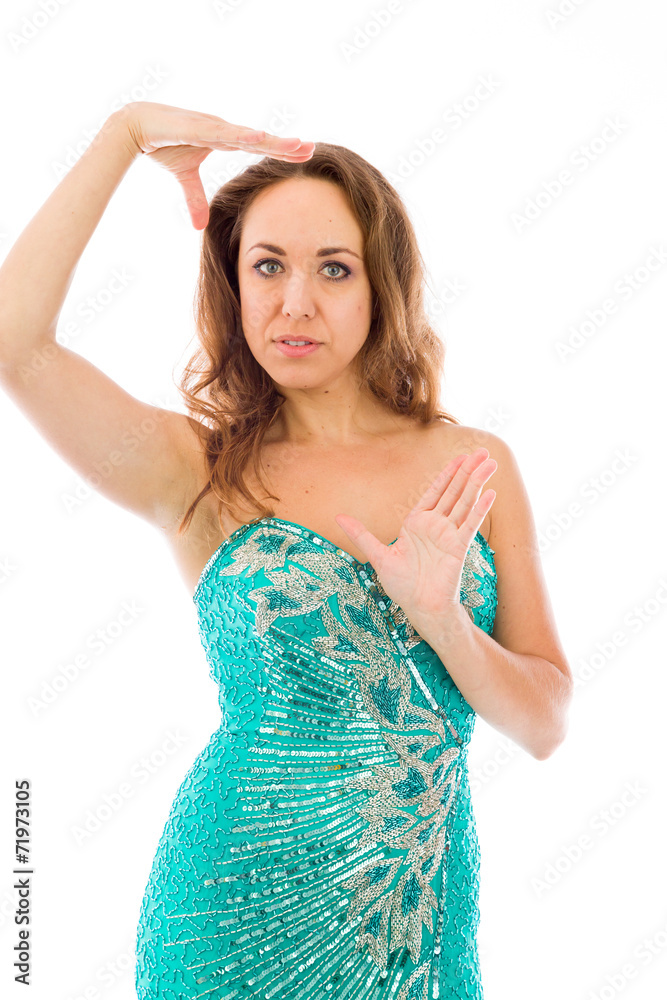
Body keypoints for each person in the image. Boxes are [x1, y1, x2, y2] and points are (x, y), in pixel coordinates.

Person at [0, 101, 573, 999]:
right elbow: (14, 344)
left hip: (409, 925)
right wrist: (123, 135)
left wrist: (442, 622)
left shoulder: (470, 464)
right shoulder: (201, 471)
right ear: (233, 284)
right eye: (266, 266)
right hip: (228, 908)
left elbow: (544, 723)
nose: (294, 302)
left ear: (379, 284)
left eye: (332, 269)